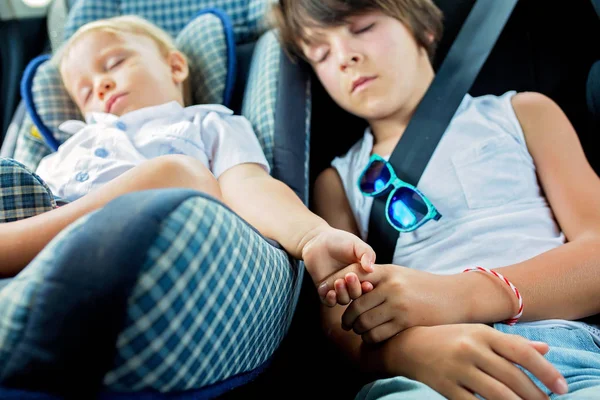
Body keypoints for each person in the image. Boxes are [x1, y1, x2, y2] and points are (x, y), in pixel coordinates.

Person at [272, 0, 600, 399]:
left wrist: (457, 296)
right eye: (320, 53)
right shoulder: (337, 182)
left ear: (423, 28)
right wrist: (410, 351)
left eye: (362, 28)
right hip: (430, 370)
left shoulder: (523, 113)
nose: (344, 56)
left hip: (564, 354)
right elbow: (341, 324)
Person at [0, 15, 377, 293]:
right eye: (84, 92)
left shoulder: (206, 124)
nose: (101, 85)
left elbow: (249, 185)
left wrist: (311, 236)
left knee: (179, 175)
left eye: (114, 64)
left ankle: (13, 248)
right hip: (47, 248)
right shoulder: (66, 151)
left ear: (175, 65)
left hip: (156, 244)